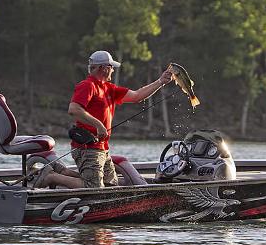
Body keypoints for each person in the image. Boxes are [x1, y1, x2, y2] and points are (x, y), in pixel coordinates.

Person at [36, 50, 173, 188]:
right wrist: (99, 125)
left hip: (102, 148)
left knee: (110, 185)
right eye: (111, 67)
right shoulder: (87, 85)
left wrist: (161, 81)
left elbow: (137, 96)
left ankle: (63, 172)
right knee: (93, 187)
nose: (113, 70)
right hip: (87, 147)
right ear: (103, 68)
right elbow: (74, 109)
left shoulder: (110, 89)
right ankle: (51, 177)